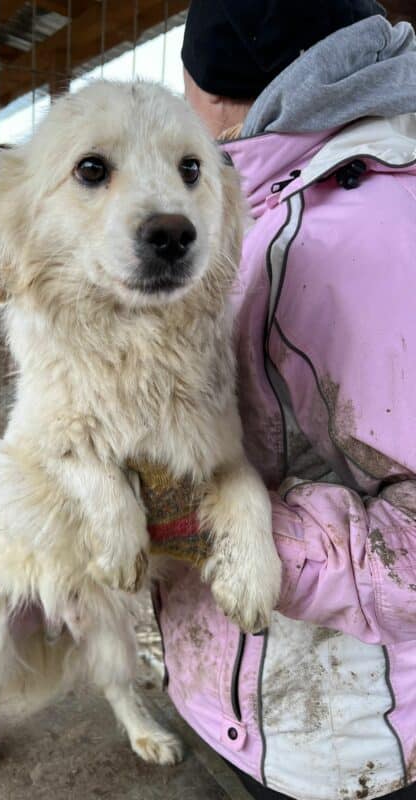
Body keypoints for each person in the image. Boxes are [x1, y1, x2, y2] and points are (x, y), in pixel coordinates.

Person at [154, 2, 416, 798]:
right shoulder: (256, 205)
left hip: (345, 748)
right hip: (247, 708)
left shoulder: (360, 236)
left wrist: (185, 521)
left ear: (217, 93)